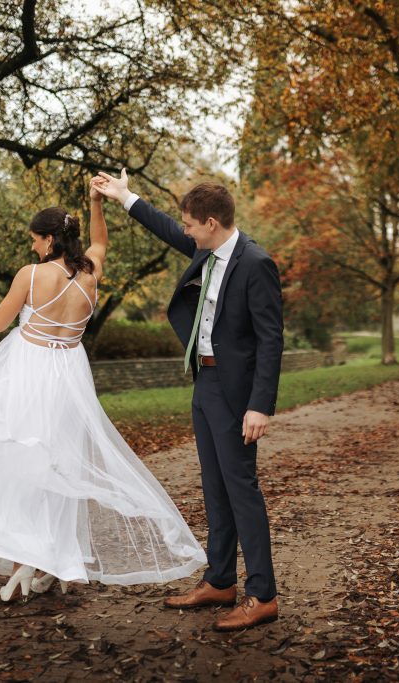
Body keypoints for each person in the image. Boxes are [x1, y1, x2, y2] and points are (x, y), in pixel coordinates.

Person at [0, 178, 206, 601]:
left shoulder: (32, 275)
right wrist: (97, 204)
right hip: (69, 376)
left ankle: (25, 561)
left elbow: (1, 322)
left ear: (51, 239)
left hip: (29, 372)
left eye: (36, 240)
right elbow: (100, 242)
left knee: (19, 465)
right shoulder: (91, 272)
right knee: (56, 467)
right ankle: (44, 561)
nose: (33, 248)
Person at [94, 170, 283, 632]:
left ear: (213, 223)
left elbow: (271, 338)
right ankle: (220, 580)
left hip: (237, 395)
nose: (186, 231)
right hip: (205, 385)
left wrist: (260, 405)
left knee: (242, 490)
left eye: (192, 225)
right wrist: (124, 197)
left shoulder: (254, 263)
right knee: (214, 488)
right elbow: (162, 224)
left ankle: (263, 594)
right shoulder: (206, 251)